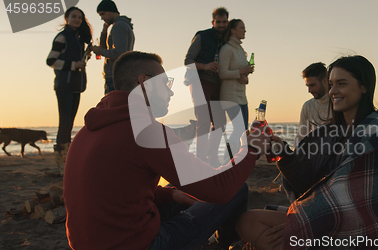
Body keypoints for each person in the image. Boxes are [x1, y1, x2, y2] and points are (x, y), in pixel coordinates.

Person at [63, 51, 272, 250]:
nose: (171, 91)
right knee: (237, 189)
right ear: (144, 82)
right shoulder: (144, 131)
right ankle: (226, 243)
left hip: (89, 243)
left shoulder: (89, 130)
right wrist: (251, 148)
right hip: (140, 245)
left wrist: (169, 195)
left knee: (175, 189)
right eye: (166, 83)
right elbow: (220, 190)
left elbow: (115, 188)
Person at [235, 55, 378, 250]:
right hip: (323, 217)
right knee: (246, 221)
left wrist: (306, 220)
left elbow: (358, 199)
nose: (333, 91)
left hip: (364, 228)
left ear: (364, 86)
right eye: (332, 84)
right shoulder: (328, 133)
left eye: (341, 84)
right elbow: (309, 186)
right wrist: (282, 152)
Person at [46, 6, 92, 175]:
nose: (77, 20)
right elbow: (50, 60)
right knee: (64, 124)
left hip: (76, 86)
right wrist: (74, 65)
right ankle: (61, 163)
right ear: (67, 18)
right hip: (64, 86)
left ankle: (67, 160)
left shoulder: (79, 39)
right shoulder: (62, 37)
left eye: (80, 17)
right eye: (74, 16)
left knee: (70, 123)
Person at [184, 7, 229, 167]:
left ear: (227, 22)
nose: (221, 25)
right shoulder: (202, 36)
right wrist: (205, 66)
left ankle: (212, 157)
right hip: (199, 80)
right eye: (218, 22)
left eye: (224, 22)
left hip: (218, 84)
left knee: (220, 122)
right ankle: (200, 159)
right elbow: (187, 61)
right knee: (203, 121)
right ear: (213, 22)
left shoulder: (227, 40)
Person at [218, 19, 254, 158]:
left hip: (242, 96)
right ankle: (228, 159)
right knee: (239, 129)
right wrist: (240, 72)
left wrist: (245, 77)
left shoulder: (241, 50)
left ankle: (235, 160)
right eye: (242, 28)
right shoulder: (226, 49)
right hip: (229, 96)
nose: (244, 30)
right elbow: (222, 73)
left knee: (244, 130)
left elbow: (244, 74)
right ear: (233, 30)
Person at [91, 0, 135, 94]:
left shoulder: (119, 26)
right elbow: (105, 47)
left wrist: (100, 51)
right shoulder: (122, 25)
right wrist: (104, 31)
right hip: (117, 75)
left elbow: (118, 53)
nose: (102, 18)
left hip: (116, 76)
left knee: (112, 106)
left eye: (103, 14)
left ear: (111, 11)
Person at [294, 62, 332, 147]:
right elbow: (300, 136)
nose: (309, 90)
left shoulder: (339, 103)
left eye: (312, 85)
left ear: (325, 81)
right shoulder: (308, 106)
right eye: (308, 86)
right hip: (316, 155)